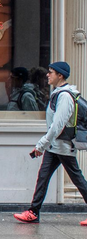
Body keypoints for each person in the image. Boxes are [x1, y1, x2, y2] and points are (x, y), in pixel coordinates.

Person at [13, 62, 87, 224]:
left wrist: (41, 145)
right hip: (56, 146)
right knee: (43, 177)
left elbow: (57, 126)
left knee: (77, 179)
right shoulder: (59, 93)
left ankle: (33, 211)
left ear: (60, 75)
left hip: (63, 146)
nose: (47, 75)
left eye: (51, 72)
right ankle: (33, 212)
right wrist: (45, 145)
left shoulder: (65, 96)